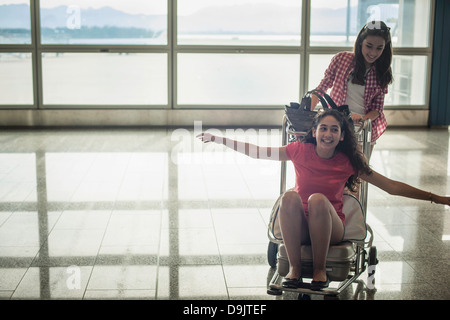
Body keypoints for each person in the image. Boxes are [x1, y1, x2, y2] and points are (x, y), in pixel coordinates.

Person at [196, 109, 450, 290]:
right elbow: (258, 153)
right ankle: (295, 270)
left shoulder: (348, 161)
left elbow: (391, 186)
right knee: (289, 197)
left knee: (318, 199)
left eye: (334, 129)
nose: (328, 133)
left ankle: (319, 271)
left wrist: (437, 198)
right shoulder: (298, 150)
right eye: (323, 128)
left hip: (332, 227)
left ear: (341, 136)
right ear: (315, 132)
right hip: (300, 225)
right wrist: (219, 139)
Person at [312, 21, 393, 154]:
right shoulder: (342, 59)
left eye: (379, 48)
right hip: (338, 124)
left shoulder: (382, 71)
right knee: (335, 168)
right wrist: (308, 112)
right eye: (369, 46)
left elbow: (377, 109)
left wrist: (362, 119)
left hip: (364, 127)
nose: (373, 53)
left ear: (385, 48)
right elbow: (322, 87)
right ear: (361, 42)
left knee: (360, 171)